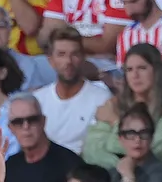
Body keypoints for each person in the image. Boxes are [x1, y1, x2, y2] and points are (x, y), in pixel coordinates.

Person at [33, 26, 112, 156]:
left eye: (74, 54)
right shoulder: (38, 100)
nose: (68, 61)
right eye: (61, 54)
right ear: (51, 61)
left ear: (83, 58)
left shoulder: (101, 99)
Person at [4, 93, 82, 182]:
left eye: (32, 119)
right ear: (10, 128)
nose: (26, 127)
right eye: (18, 122)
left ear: (43, 121)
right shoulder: (10, 167)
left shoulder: (70, 164)